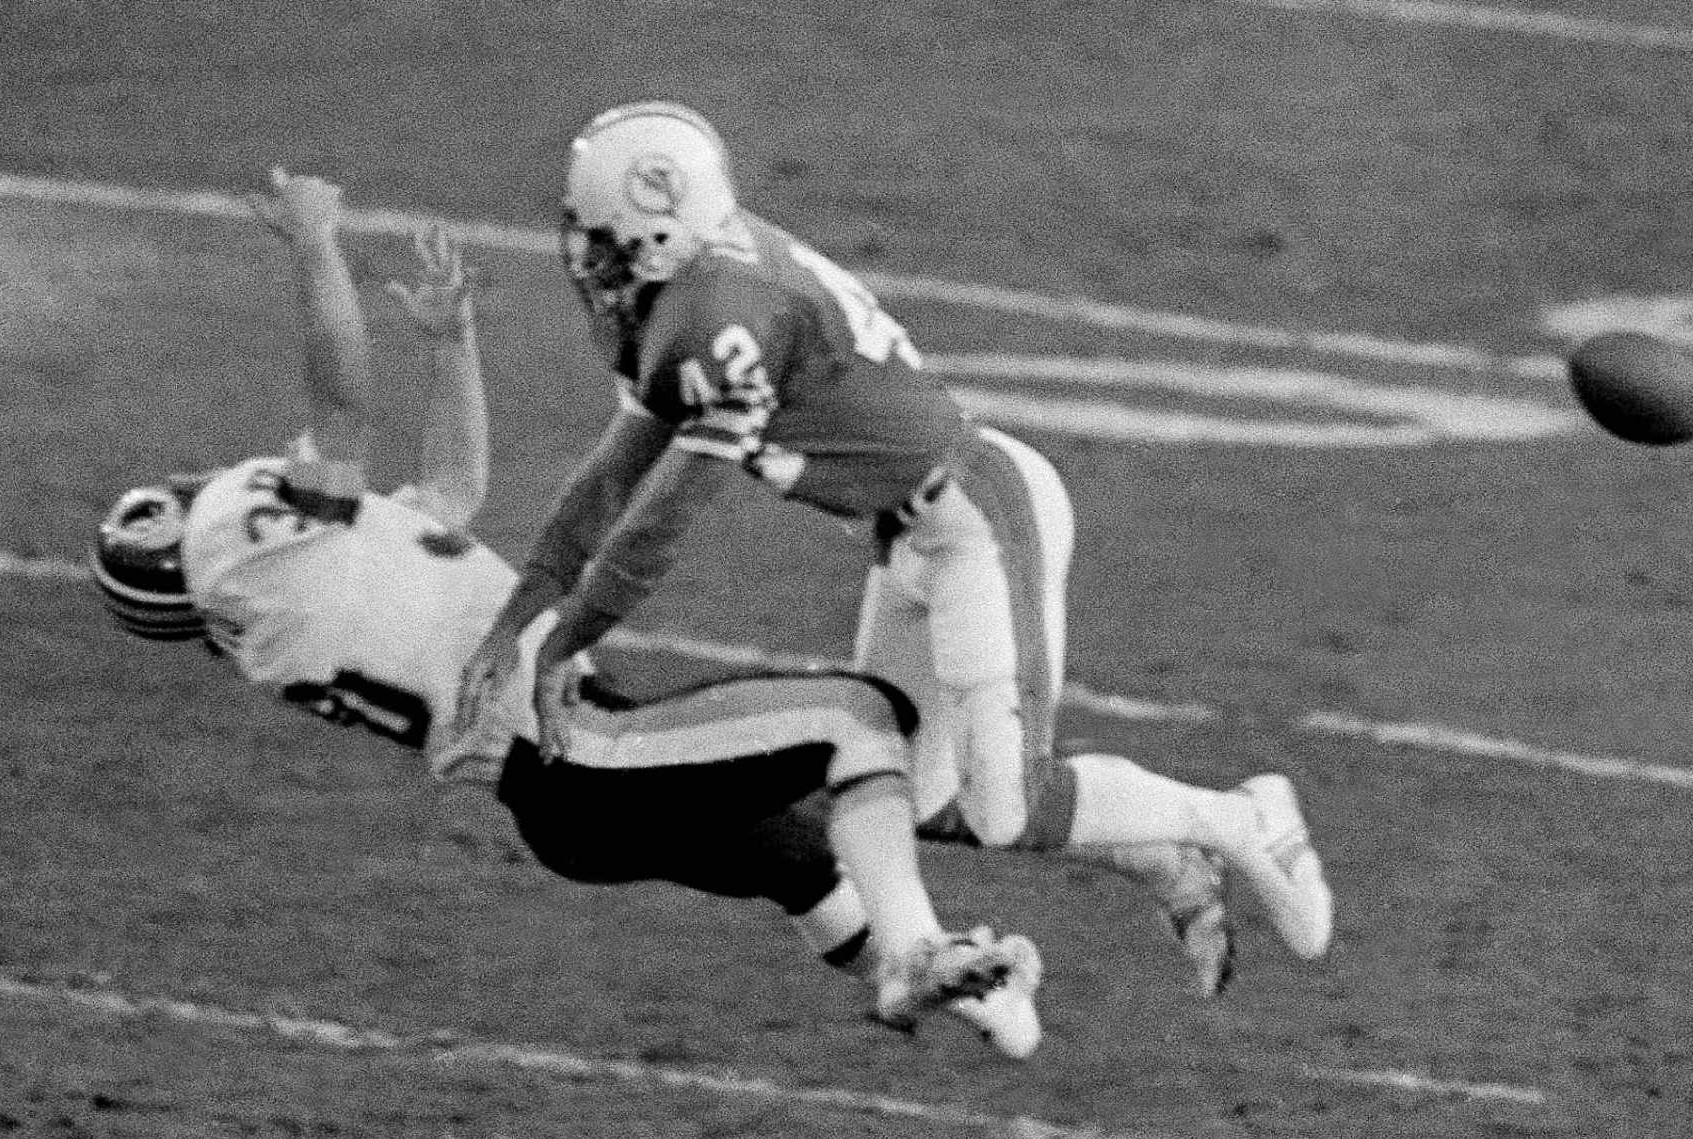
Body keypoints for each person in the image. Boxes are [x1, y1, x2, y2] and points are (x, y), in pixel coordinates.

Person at [87, 167, 1045, 1058]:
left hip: (561, 795)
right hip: (576, 756)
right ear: (177, 553)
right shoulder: (227, 543)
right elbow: (339, 407)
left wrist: (452, 344)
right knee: (859, 718)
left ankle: (951, 984)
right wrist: (313, 245)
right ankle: (921, 953)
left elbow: (450, 495)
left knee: (795, 858)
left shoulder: (298, 593)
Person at [455, 101, 1334, 998]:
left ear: (665, 236)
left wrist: (568, 636)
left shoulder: (720, 321)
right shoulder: (677, 298)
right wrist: (518, 621)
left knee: (1007, 807)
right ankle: (1145, 872)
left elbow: (656, 525)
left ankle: (1240, 815)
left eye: (603, 239)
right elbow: (607, 485)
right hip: (905, 536)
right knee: (907, 792)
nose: (583, 257)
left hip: (978, 516)